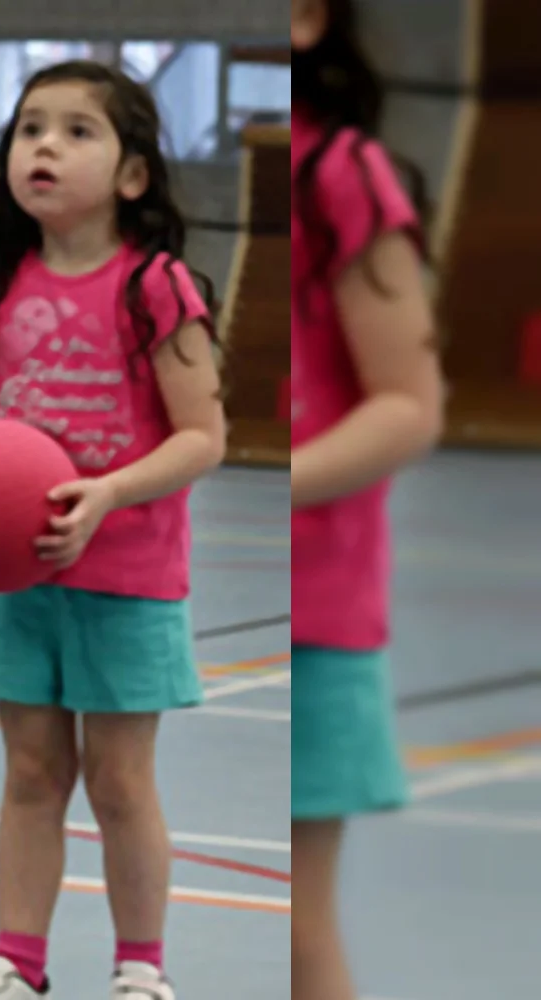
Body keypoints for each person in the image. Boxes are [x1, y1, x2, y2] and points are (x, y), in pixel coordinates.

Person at [0, 61, 228, 1000]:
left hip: (128, 579)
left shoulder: (156, 287)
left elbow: (204, 438)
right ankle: (17, 964)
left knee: (120, 783)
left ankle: (141, 969)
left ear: (132, 175)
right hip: (26, 584)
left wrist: (105, 495)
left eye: (76, 131)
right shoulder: (0, 283)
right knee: (30, 774)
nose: (44, 145)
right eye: (29, 128)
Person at [289, 2, 446, 998]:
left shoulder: (344, 172)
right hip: (154, 590)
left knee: (295, 928)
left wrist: (285, 484)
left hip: (317, 611)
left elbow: (408, 404)